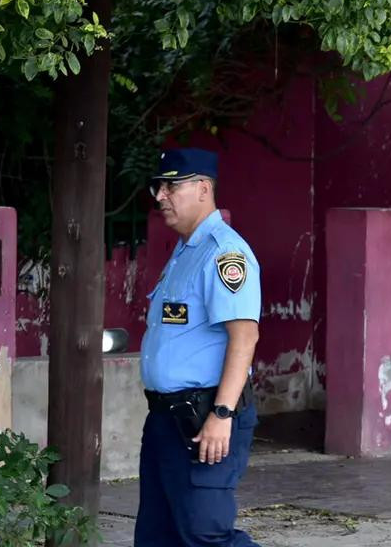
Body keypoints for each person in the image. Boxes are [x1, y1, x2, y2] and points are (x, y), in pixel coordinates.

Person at [135, 147, 263, 547]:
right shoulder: (184, 251)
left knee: (205, 535)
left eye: (171, 186)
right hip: (165, 418)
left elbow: (245, 337)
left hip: (204, 418)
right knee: (158, 536)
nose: (160, 196)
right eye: (158, 187)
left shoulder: (225, 253)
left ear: (203, 188)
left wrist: (222, 414)